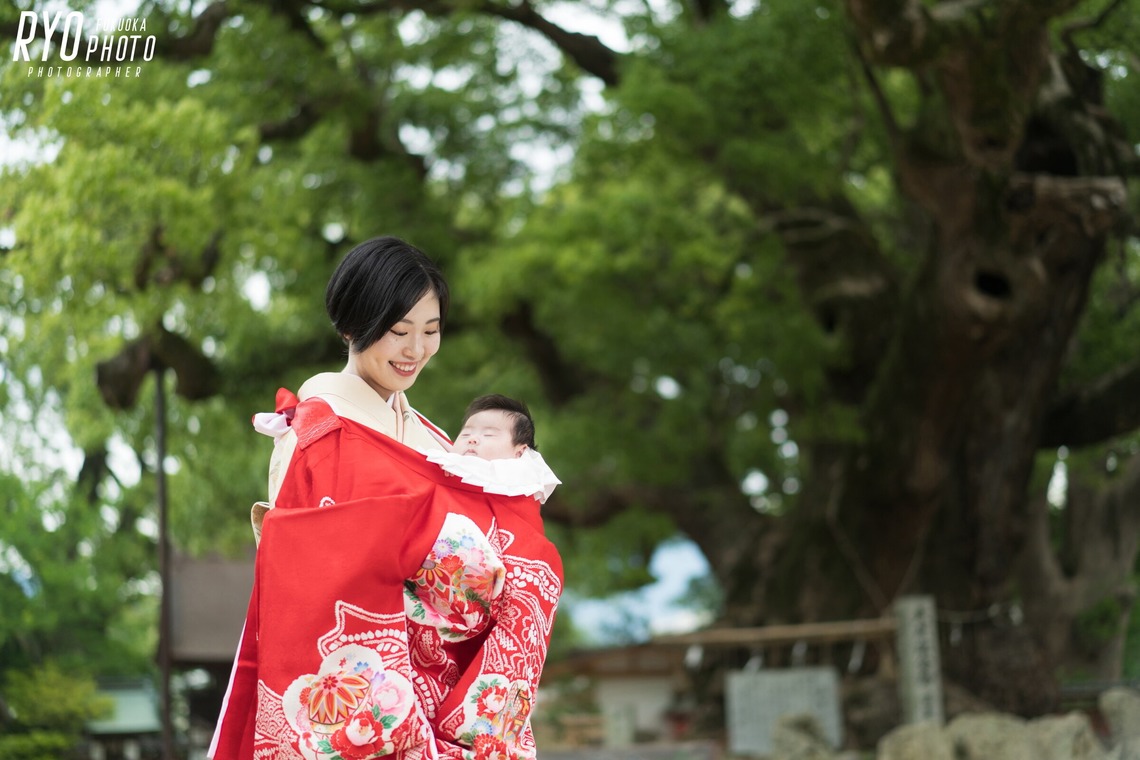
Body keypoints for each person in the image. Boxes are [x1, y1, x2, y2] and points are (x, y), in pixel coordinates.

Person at [210, 236, 564, 760]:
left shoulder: (433, 437)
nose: (416, 350)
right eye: (399, 332)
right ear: (354, 327)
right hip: (383, 683)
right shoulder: (316, 432)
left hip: (455, 685)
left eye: (431, 331)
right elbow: (316, 580)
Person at [425, 394, 562, 504]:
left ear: (519, 452)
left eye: (488, 435)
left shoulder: (521, 483)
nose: (472, 439)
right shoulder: (441, 463)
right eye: (466, 434)